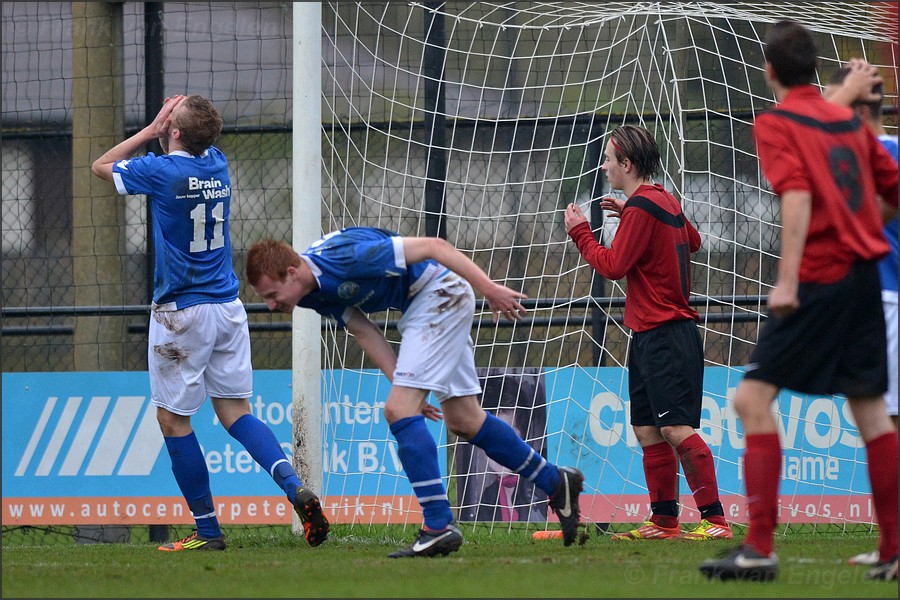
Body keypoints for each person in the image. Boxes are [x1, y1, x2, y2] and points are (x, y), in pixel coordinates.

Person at [698, 21, 899, 582]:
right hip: (864, 278)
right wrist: (866, 232)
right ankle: (893, 550)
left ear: (768, 72)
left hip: (817, 278)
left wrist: (786, 281)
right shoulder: (848, 122)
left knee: (751, 401)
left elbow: (798, 195)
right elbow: (893, 190)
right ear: (815, 68)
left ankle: (758, 545)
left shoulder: (776, 122)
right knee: (871, 412)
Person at [245, 229, 584, 557]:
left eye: (272, 295)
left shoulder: (344, 257)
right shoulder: (311, 294)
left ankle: (438, 526)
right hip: (428, 305)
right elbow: (364, 331)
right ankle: (555, 481)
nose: (272, 306)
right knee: (464, 419)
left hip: (438, 296)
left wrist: (489, 288)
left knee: (397, 411)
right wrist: (403, 385)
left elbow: (435, 246)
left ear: (292, 272)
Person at [91, 94, 329, 551]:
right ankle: (293, 486)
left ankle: (207, 530)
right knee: (236, 413)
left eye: (170, 121)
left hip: (182, 314)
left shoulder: (162, 172)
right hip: (227, 308)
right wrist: (175, 126)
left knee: (173, 420)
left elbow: (102, 165)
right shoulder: (217, 164)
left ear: (172, 132)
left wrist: (149, 129)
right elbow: (194, 140)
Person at [564, 124, 732, 543]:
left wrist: (581, 232)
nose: (604, 167)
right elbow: (690, 239)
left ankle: (716, 521)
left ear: (627, 163)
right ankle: (663, 522)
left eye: (608, 158)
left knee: (675, 429)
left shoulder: (644, 205)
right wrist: (633, 216)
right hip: (648, 334)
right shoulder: (658, 201)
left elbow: (613, 266)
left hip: (668, 334)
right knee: (646, 429)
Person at [824, 60, 899, 570]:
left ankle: (894, 547)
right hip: (882, 300)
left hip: (885, 300)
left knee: (883, 423)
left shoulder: (861, 157)